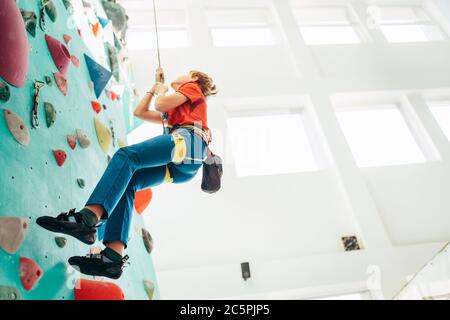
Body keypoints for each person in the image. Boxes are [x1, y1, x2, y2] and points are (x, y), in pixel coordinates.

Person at [37, 68, 217, 279]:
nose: (181, 76)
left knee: (127, 156)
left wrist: (161, 90)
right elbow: (139, 113)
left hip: (190, 143)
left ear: (194, 78)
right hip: (185, 163)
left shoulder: (193, 87)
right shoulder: (180, 110)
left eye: (185, 73)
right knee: (128, 183)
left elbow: (160, 104)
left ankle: (87, 218)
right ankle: (112, 257)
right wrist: (154, 87)